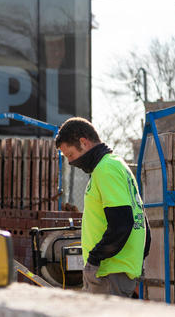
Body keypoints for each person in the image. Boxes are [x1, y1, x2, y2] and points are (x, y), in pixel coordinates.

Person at [55, 117, 150, 297]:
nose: (70, 162)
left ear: (83, 142)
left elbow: (122, 223)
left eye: (70, 155)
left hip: (108, 273)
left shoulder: (105, 169)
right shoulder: (118, 165)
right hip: (117, 271)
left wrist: (94, 260)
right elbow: (141, 218)